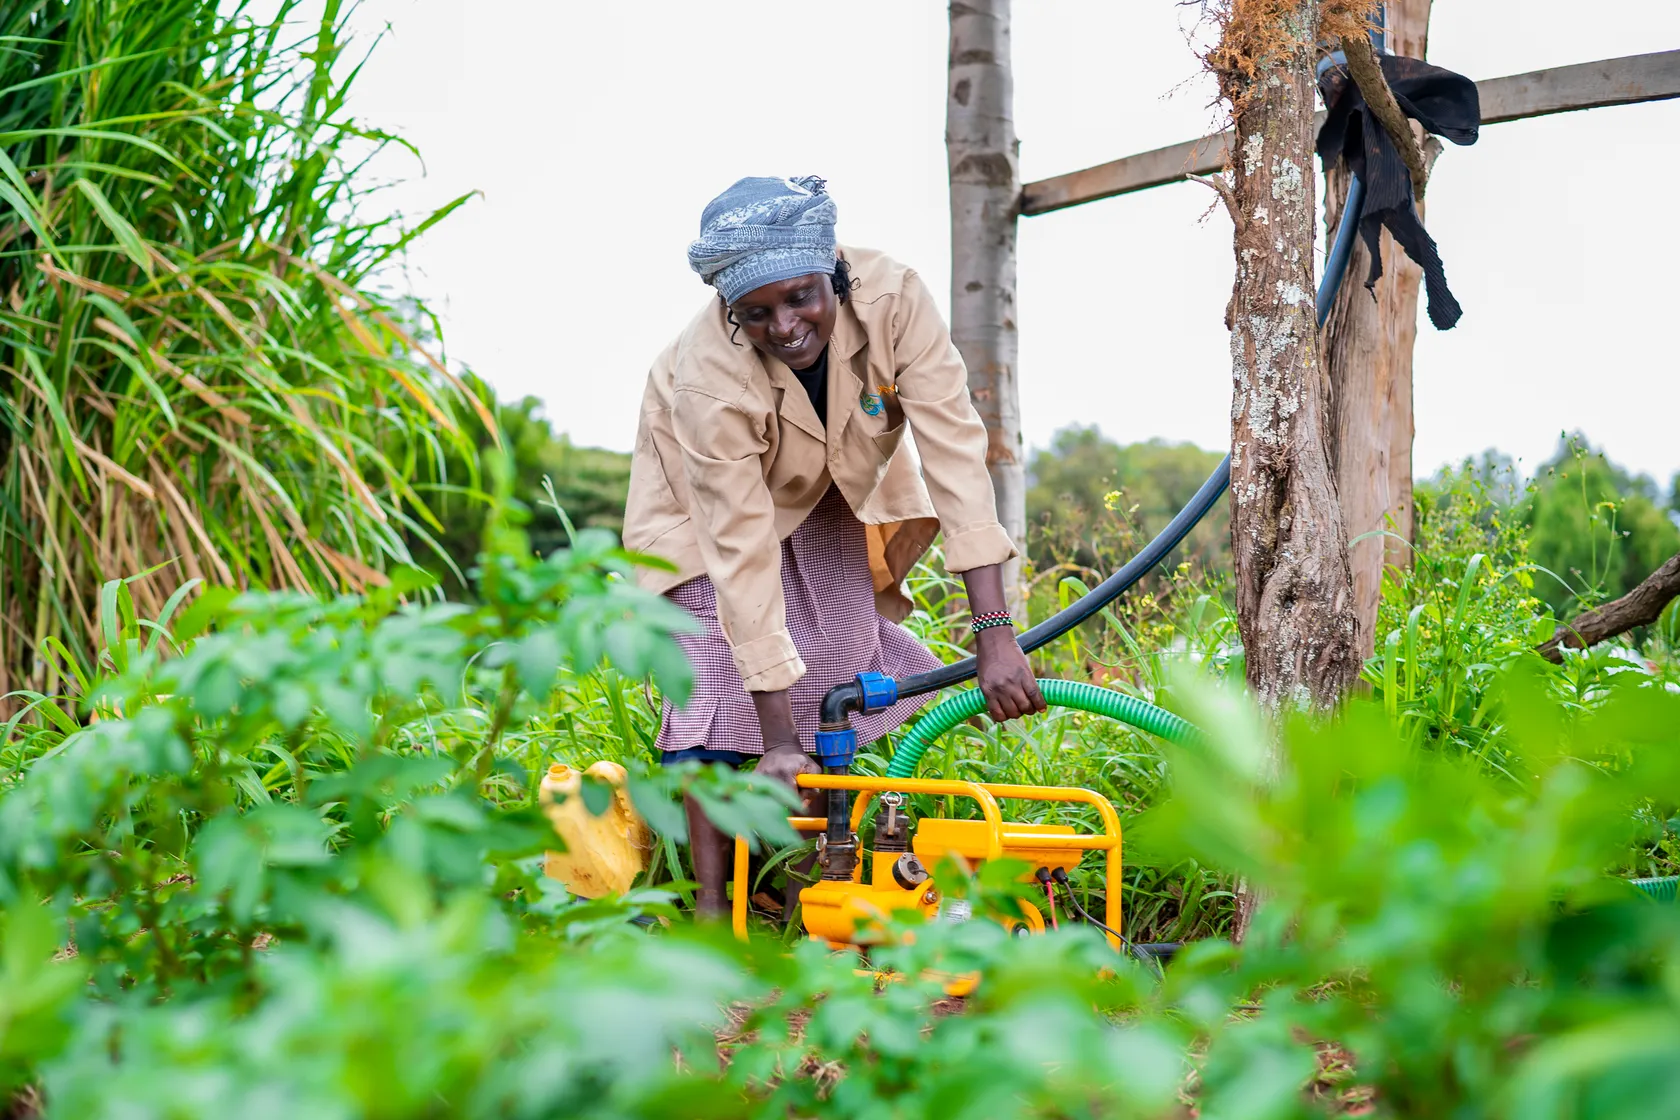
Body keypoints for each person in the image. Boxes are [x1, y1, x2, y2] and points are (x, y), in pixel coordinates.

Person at [624, 175, 1045, 916]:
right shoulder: (708, 380)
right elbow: (740, 553)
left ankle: (806, 895)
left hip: (829, 488)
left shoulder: (895, 299)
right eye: (755, 314)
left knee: (840, 665)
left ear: (837, 276)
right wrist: (777, 741)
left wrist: (994, 634)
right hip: (699, 516)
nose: (784, 326)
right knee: (718, 684)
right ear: (729, 313)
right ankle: (714, 919)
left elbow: (955, 455)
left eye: (800, 298)